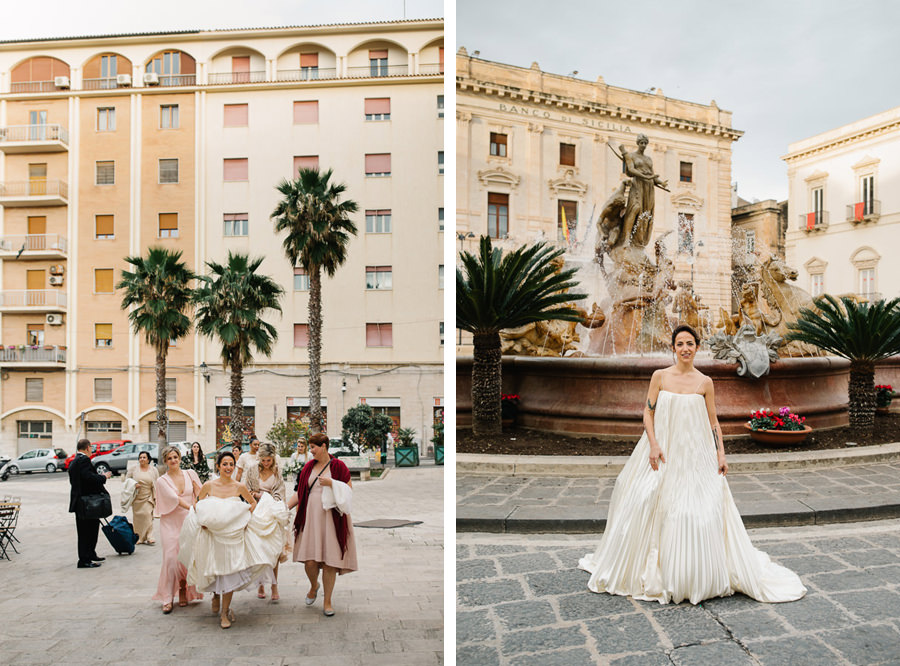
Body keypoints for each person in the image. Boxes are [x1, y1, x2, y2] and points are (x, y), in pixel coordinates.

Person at [578, 324, 807, 605]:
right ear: (673, 348)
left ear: (697, 347)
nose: (685, 348)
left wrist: (720, 454)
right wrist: (653, 444)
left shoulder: (705, 382)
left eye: (690, 343)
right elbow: (647, 414)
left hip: (695, 455)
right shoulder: (659, 377)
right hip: (663, 452)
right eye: (679, 344)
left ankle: (694, 572)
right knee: (641, 497)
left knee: (700, 509)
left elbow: (713, 422)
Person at [179, 451, 288, 629]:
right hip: (213, 534)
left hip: (232, 536)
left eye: (231, 464)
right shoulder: (208, 485)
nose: (228, 467)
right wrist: (203, 520)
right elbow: (198, 504)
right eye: (225, 464)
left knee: (229, 571)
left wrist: (244, 518)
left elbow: (252, 503)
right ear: (218, 466)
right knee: (214, 569)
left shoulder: (239, 487)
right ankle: (215, 594)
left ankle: (225, 611)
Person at [289, 433, 358, 616]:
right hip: (311, 518)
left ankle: (327, 601)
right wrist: (283, 508)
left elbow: (349, 489)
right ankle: (314, 586)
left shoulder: (338, 466)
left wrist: (332, 483)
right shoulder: (308, 468)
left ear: (324, 446)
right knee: (310, 561)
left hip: (331, 518)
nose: (310, 451)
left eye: (313, 447)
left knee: (330, 562)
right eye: (310, 447)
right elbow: (300, 493)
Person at [153, 446, 203, 613]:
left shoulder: (190, 473)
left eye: (175, 457)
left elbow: (199, 491)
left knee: (188, 556)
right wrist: (191, 507)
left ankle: (183, 587)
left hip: (188, 520)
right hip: (170, 522)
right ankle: (167, 597)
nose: (173, 460)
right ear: (165, 461)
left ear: (180, 458)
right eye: (169, 458)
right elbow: (175, 499)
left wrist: (197, 505)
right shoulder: (162, 481)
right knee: (171, 559)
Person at [244, 443, 288, 601]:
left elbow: (280, 493)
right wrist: (256, 496)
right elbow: (246, 491)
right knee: (259, 549)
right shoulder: (252, 471)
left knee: (274, 550)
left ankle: (274, 585)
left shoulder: (277, 472)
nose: (266, 463)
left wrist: (266, 498)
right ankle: (261, 583)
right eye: (263, 460)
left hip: (271, 514)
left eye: (269, 460)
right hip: (256, 513)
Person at [68, 438, 112, 568]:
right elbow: (88, 478)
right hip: (87, 502)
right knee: (86, 532)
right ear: (87, 448)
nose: (91, 450)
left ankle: (91, 553)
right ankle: (84, 559)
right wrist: (104, 477)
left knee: (91, 529)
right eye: (91, 447)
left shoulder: (74, 461)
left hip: (80, 501)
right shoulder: (84, 460)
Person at [619, 134, 668, 248]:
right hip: (638, 185)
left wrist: (661, 183)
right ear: (638, 143)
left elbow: (652, 175)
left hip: (648, 187)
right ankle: (626, 238)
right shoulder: (631, 155)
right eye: (641, 142)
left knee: (646, 214)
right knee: (635, 209)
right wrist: (645, 177)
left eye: (645, 143)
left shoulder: (648, 159)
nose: (643, 145)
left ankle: (639, 239)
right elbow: (630, 170)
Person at [125, 451, 158, 545]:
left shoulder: (153, 470)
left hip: (148, 496)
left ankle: (149, 536)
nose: (142, 459)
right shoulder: (133, 469)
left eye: (144, 457)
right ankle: (139, 537)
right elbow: (127, 481)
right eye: (140, 457)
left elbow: (157, 483)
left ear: (148, 460)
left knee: (147, 515)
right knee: (138, 518)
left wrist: (156, 496)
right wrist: (133, 485)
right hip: (137, 497)